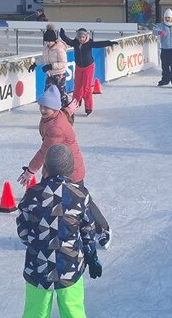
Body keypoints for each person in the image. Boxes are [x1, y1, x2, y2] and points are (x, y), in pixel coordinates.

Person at [13, 143, 102, 318]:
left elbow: (23, 232)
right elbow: (88, 231)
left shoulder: (32, 195)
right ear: (71, 170)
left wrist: (39, 245)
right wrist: (92, 258)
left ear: (46, 170)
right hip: (70, 271)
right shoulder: (79, 194)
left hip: (37, 271)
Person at [18, 85, 110, 248]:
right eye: (41, 106)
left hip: (70, 169)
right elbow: (64, 113)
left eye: (46, 107)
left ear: (54, 108)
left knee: (82, 200)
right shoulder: (54, 116)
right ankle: (55, 230)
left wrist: (30, 171)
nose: (42, 109)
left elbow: (44, 151)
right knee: (53, 198)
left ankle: (102, 229)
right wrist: (70, 108)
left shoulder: (56, 127)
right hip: (56, 166)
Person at [59, 27, 118, 116]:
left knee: (86, 88)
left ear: (86, 37)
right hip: (79, 67)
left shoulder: (89, 43)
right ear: (78, 37)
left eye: (83, 37)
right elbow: (68, 41)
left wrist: (109, 43)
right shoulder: (75, 43)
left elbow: (99, 44)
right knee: (77, 87)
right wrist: (62, 34)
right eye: (80, 37)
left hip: (88, 67)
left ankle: (88, 107)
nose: (81, 39)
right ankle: (75, 102)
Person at [28, 25, 69, 107]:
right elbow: (43, 58)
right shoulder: (46, 47)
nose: (47, 43)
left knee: (61, 93)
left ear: (54, 40)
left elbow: (63, 63)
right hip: (50, 74)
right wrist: (35, 64)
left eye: (49, 41)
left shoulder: (59, 49)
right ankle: (49, 110)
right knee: (48, 93)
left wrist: (51, 66)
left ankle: (66, 110)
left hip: (59, 74)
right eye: (46, 41)